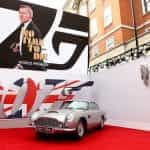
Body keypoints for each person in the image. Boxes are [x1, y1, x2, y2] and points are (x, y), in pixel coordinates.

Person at [10, 5, 43, 69]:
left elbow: (35, 52)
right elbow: (27, 45)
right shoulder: (23, 26)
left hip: (33, 68)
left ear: (30, 15)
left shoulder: (33, 30)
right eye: (20, 13)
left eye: (24, 13)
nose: (21, 15)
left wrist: (23, 65)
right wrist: (19, 46)